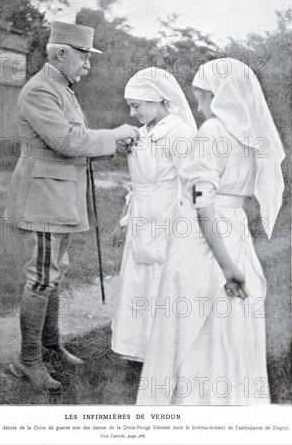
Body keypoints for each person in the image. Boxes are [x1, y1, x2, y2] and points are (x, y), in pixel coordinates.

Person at [137, 58, 285, 405]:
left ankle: (190, 403)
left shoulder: (212, 132)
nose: (199, 106)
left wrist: (227, 266)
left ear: (218, 96)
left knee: (197, 318)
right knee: (229, 322)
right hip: (234, 230)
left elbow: (203, 208)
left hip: (206, 237)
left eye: (202, 97)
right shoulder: (250, 135)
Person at [5, 21, 139, 391]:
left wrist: (109, 145)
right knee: (43, 275)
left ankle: (49, 346)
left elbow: (76, 141)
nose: (88, 65)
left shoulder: (61, 87)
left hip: (58, 194)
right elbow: (66, 140)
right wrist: (113, 136)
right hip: (43, 197)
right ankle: (28, 360)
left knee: (55, 271)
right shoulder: (39, 92)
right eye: (83, 57)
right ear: (60, 53)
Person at [110, 67, 197, 362]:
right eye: (130, 106)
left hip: (168, 214)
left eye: (137, 105)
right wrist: (123, 221)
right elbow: (136, 185)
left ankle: (165, 347)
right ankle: (137, 346)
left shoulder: (179, 133)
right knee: (138, 279)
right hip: (141, 215)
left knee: (163, 275)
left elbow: (191, 184)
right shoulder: (140, 134)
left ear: (158, 100)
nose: (133, 112)